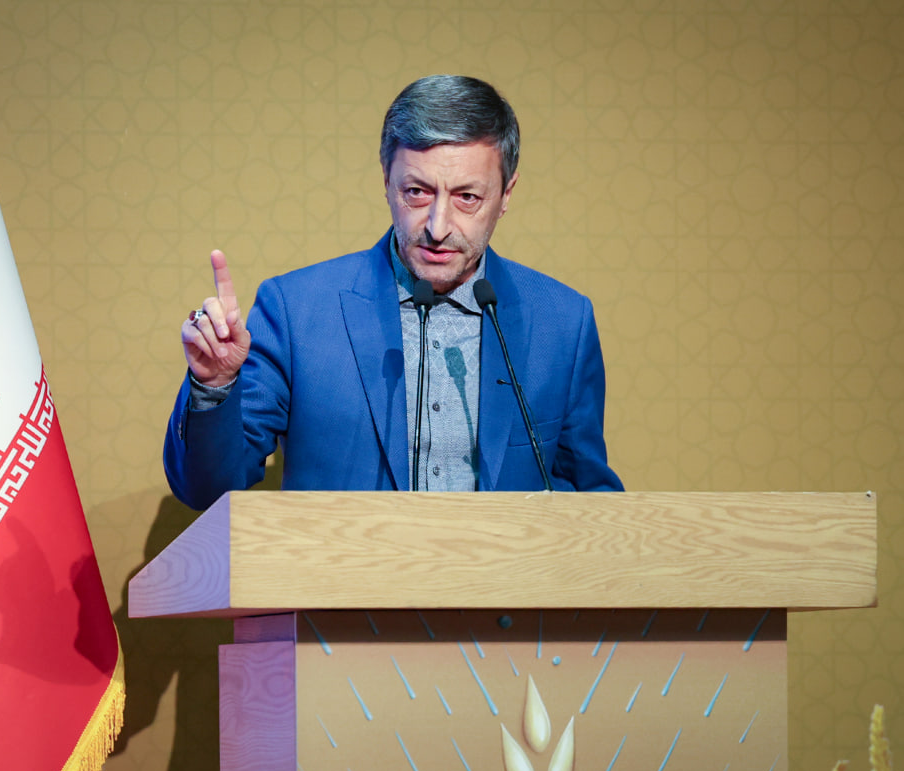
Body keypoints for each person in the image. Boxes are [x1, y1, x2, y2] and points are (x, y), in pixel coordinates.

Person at [164, 75, 622, 511]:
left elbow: (589, 499)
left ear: (506, 194)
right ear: (386, 180)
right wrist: (214, 386)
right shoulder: (297, 311)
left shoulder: (563, 323)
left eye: (467, 197)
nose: (438, 227)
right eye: (417, 192)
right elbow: (208, 489)